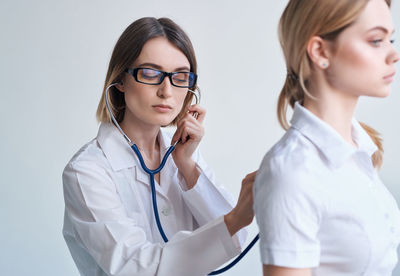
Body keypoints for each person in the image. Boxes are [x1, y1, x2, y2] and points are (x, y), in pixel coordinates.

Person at [62, 17, 255, 276]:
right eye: (151, 73)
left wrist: (188, 167)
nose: (167, 91)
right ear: (120, 79)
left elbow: (236, 239)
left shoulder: (180, 156)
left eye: (180, 76)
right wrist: (232, 222)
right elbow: (135, 267)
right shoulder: (87, 172)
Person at [254, 0, 400, 275]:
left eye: (390, 39)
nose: (394, 55)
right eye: (377, 40)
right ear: (320, 51)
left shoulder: (359, 152)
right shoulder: (292, 172)